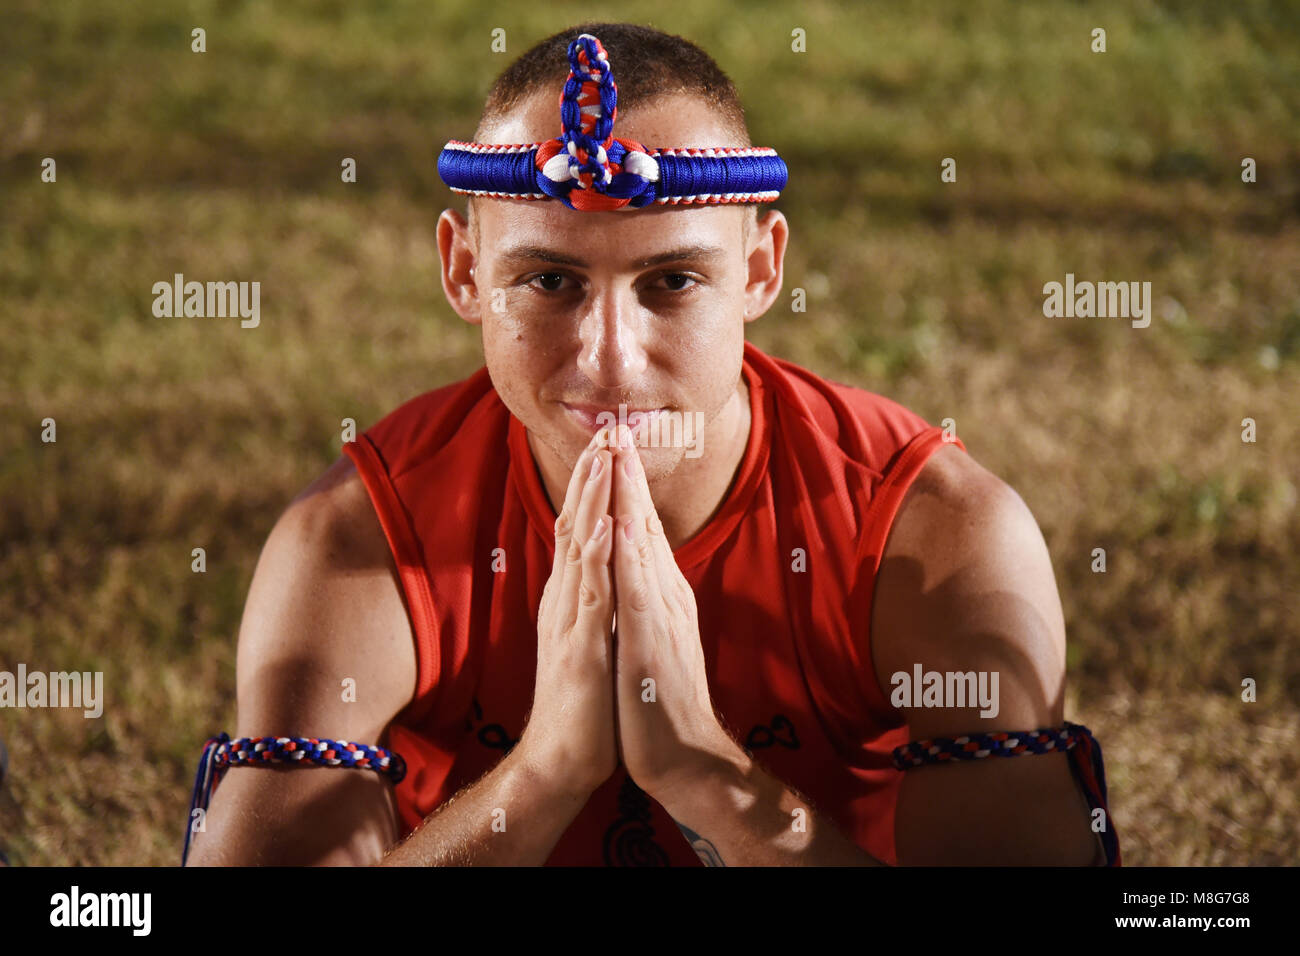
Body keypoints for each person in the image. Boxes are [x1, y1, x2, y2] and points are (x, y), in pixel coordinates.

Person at [185, 22, 1114, 867]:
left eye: (671, 280)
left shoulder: (930, 533)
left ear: (759, 269)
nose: (611, 358)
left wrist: (708, 777)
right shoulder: (360, 542)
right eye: (549, 280)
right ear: (465, 271)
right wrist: (541, 775)